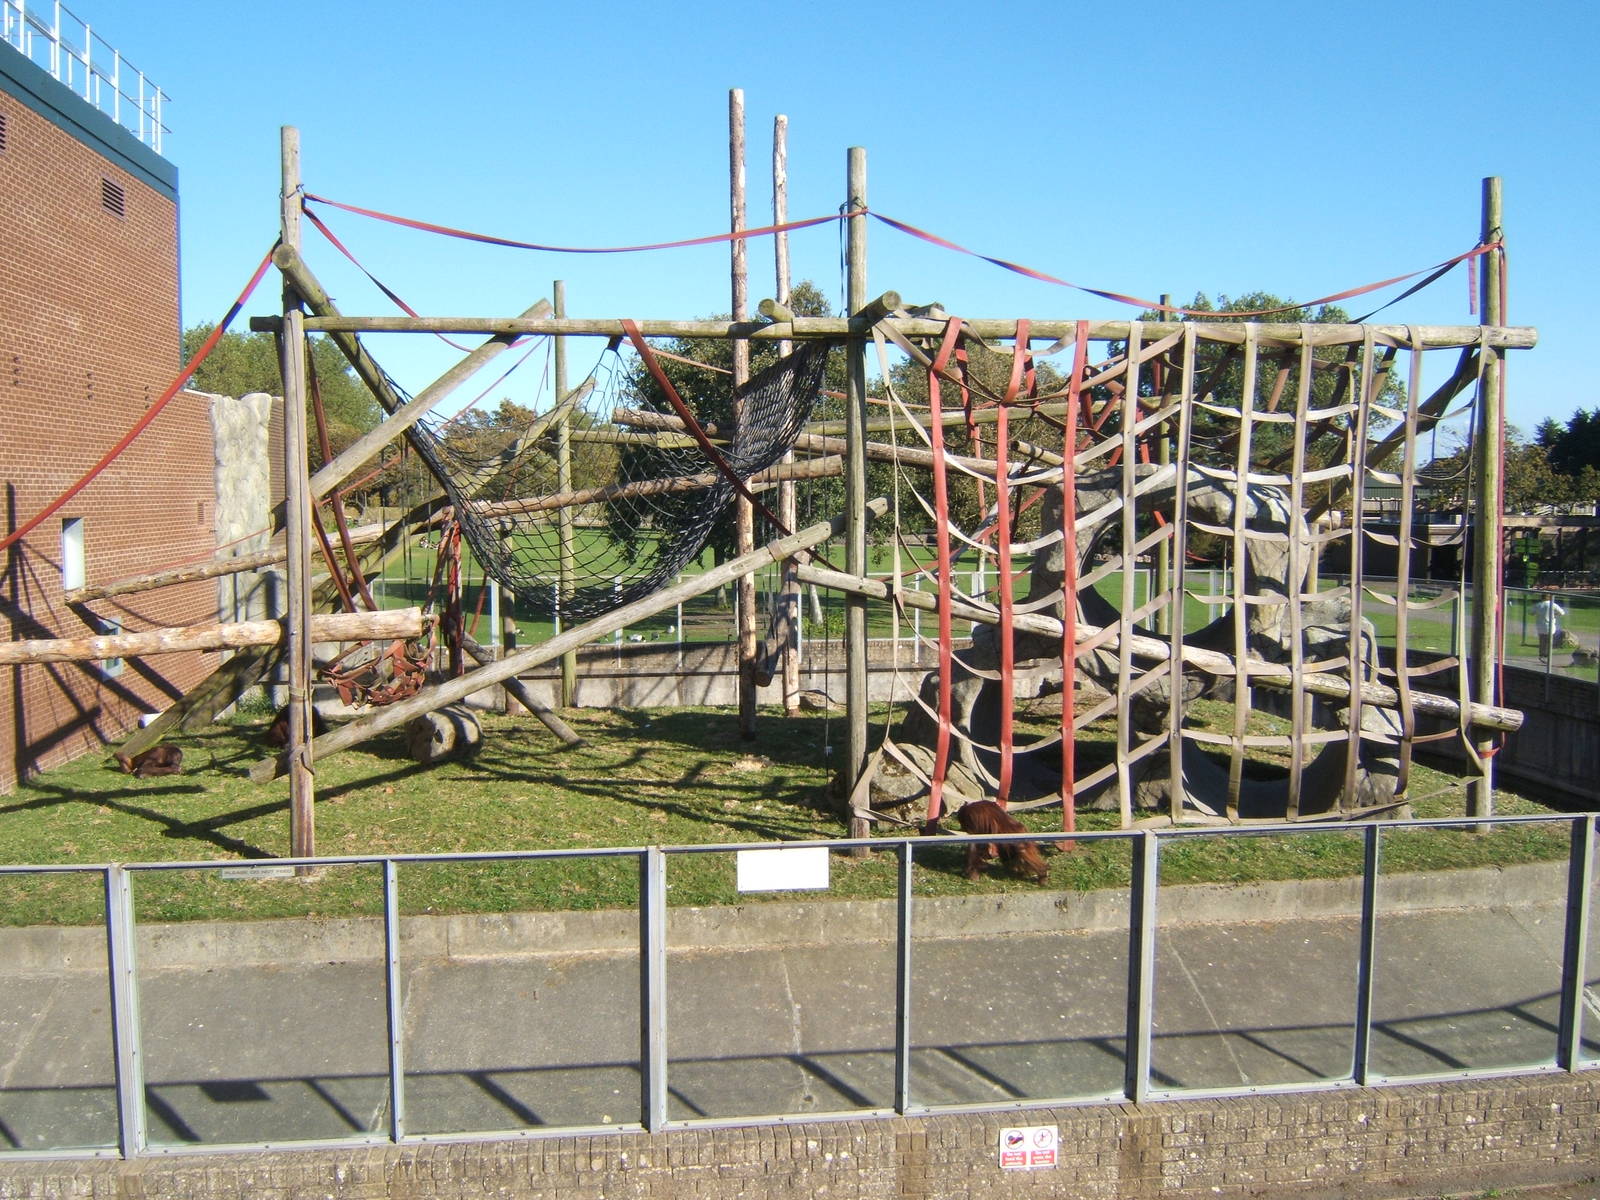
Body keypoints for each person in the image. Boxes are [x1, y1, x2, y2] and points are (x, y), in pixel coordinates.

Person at [1533, 594, 1566, 660]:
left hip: (1540, 626)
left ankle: (1542, 655)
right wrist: (1555, 614)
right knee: (1549, 642)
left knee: (1542, 641)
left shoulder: (1538, 605)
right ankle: (1547, 656)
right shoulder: (1553, 604)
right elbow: (1562, 613)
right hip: (1550, 626)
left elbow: (1531, 612)